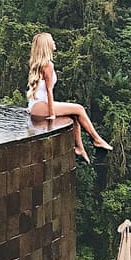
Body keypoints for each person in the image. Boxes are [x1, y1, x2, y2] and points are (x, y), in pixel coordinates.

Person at [26, 32, 112, 164]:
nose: (54, 43)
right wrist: (52, 114)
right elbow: (49, 90)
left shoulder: (38, 63)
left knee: (74, 117)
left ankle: (79, 148)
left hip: (36, 106)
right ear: (47, 45)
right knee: (79, 109)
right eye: (52, 41)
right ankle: (96, 139)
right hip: (41, 106)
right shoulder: (48, 64)